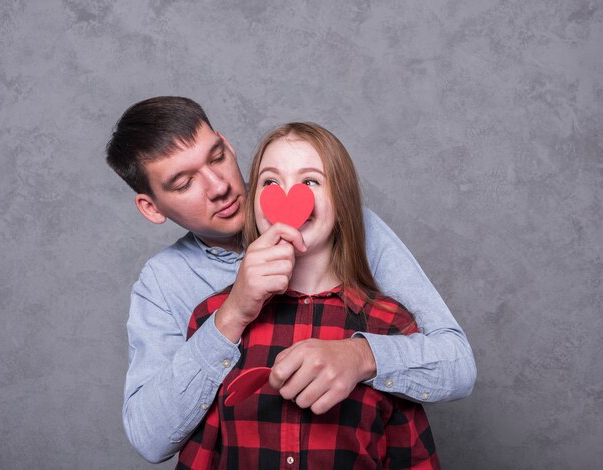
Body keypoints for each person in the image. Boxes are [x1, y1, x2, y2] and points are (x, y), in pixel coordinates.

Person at [105, 96, 475, 464]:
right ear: (152, 208)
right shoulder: (165, 282)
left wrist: (361, 355)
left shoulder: (340, 222)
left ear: (228, 146)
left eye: (217, 157)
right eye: (185, 182)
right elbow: (150, 438)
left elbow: (456, 366)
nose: (218, 186)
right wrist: (232, 313)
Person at [178, 122, 440, 469]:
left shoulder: (389, 323)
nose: (288, 194)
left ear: (341, 200)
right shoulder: (214, 316)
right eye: (270, 181)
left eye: (310, 181)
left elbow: (413, 459)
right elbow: (201, 453)